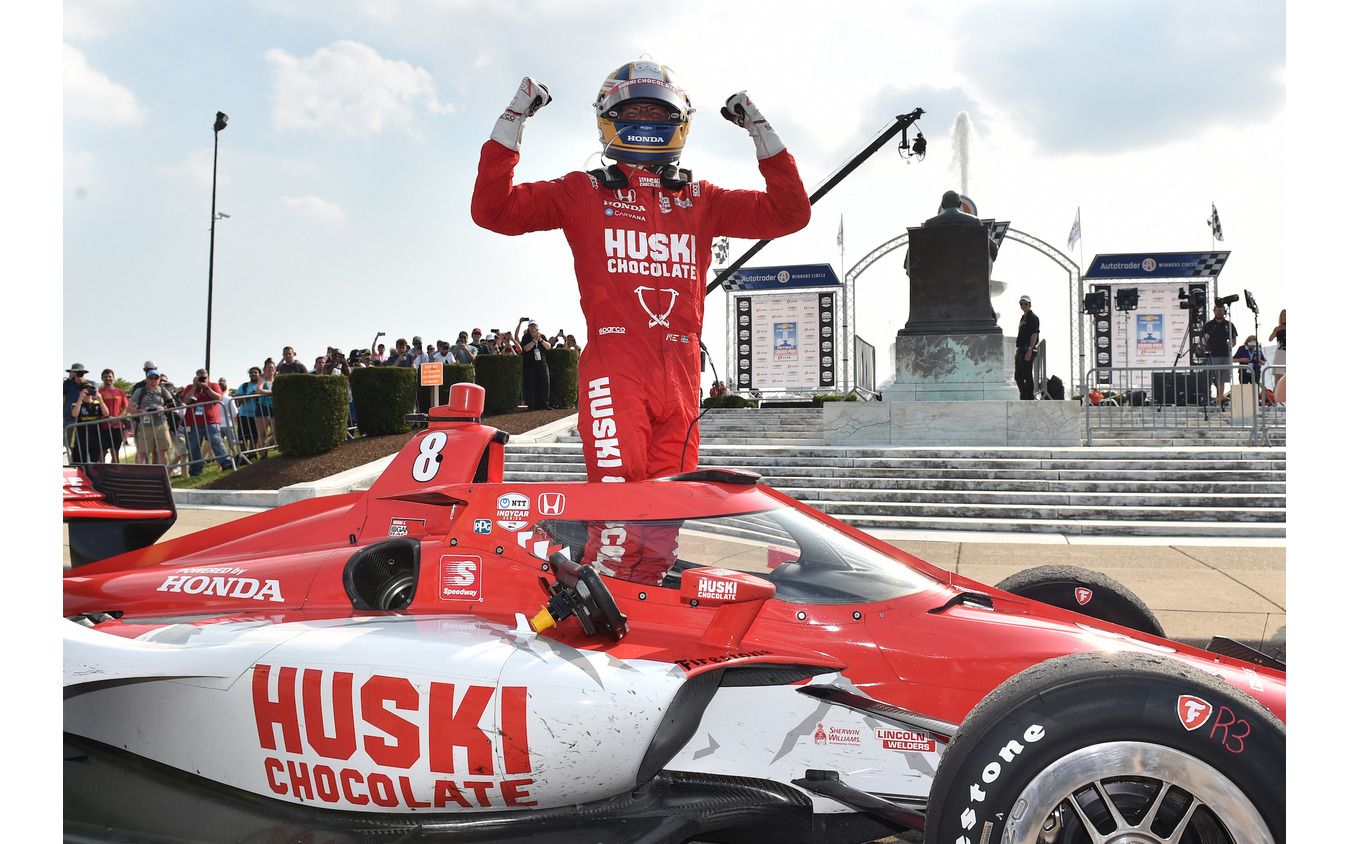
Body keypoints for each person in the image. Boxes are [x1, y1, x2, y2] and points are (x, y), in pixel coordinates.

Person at [472, 59, 811, 584]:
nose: (647, 120)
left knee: (665, 518)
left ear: (680, 122)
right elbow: (493, 209)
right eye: (635, 111)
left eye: (658, 111)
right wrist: (515, 116)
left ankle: (641, 610)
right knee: (618, 512)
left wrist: (758, 125)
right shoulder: (583, 191)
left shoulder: (701, 199)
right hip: (616, 368)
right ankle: (587, 608)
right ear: (609, 118)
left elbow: (789, 214)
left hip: (682, 378)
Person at [178, 368, 234, 475]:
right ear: (195, 377)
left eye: (205, 377)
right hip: (193, 422)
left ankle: (225, 463)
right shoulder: (190, 387)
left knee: (216, 440)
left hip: (211, 421)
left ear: (208, 377)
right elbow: (185, 401)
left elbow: (219, 397)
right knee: (194, 446)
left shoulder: (213, 386)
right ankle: (195, 470)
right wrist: (195, 386)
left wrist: (206, 388)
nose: (202, 379)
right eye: (200, 377)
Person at [129, 370, 175, 466]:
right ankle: (141, 476)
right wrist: (141, 411)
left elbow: (173, 407)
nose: (153, 380)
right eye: (151, 378)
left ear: (159, 380)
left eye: (156, 378)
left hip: (161, 423)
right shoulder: (140, 391)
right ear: (147, 379)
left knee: (163, 452)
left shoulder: (163, 391)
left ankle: (163, 475)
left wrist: (163, 409)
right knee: (142, 453)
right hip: (145, 425)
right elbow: (129, 408)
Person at [1199, 304, 1238, 404]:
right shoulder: (1208, 325)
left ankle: (1219, 398)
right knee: (1211, 378)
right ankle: (1208, 398)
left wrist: (1229, 347)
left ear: (1224, 312)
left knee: (1222, 379)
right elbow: (1201, 341)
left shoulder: (1229, 325)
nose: (1219, 312)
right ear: (1214, 311)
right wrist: (1205, 349)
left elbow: (1234, 340)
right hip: (1213, 355)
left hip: (1226, 355)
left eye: (1221, 310)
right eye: (1217, 310)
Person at [68, 380, 107, 462]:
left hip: (95, 438)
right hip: (80, 439)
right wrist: (80, 398)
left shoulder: (97, 404)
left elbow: (106, 413)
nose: (89, 392)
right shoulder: (76, 404)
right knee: (79, 462)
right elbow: (74, 414)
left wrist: (100, 399)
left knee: (94, 462)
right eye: (86, 390)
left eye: (91, 390)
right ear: (80, 391)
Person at [518, 319, 552, 410]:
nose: (533, 327)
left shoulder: (542, 336)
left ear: (537, 327)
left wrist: (540, 340)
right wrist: (534, 341)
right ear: (528, 327)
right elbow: (525, 348)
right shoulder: (526, 337)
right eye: (531, 326)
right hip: (530, 365)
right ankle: (531, 405)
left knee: (544, 382)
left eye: (534, 325)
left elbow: (548, 347)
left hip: (541, 363)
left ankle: (544, 403)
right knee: (530, 384)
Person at [97, 368, 130, 463]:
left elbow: (125, 407)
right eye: (105, 377)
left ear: (114, 378)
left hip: (117, 426)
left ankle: (115, 473)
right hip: (103, 426)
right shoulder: (99, 392)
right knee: (102, 452)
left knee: (115, 453)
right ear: (102, 378)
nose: (108, 378)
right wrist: (108, 418)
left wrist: (117, 419)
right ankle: (100, 473)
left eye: (110, 376)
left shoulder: (120, 392)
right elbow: (97, 408)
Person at [1014, 294, 1040, 400]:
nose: (1023, 306)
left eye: (1025, 304)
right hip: (1021, 349)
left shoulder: (1033, 318)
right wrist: (1017, 351)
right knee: (1018, 376)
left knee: (1027, 374)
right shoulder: (1023, 318)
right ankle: (1023, 394)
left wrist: (1030, 349)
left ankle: (1029, 396)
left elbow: (1034, 334)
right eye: (1021, 304)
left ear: (1029, 304)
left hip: (1027, 349)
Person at [234, 366, 264, 454]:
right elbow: (237, 400)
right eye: (251, 373)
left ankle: (252, 454)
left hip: (258, 415)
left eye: (255, 372)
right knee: (243, 437)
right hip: (244, 415)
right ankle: (244, 455)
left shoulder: (262, 385)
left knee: (254, 437)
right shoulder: (244, 386)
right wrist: (249, 396)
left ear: (260, 374)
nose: (253, 374)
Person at [64, 363, 95, 444]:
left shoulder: (91, 384)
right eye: (75, 372)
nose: (78, 374)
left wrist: (82, 382)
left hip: (87, 418)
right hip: (70, 419)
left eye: (80, 372)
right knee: (70, 444)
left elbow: (94, 394)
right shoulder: (68, 385)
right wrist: (68, 380)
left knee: (89, 443)